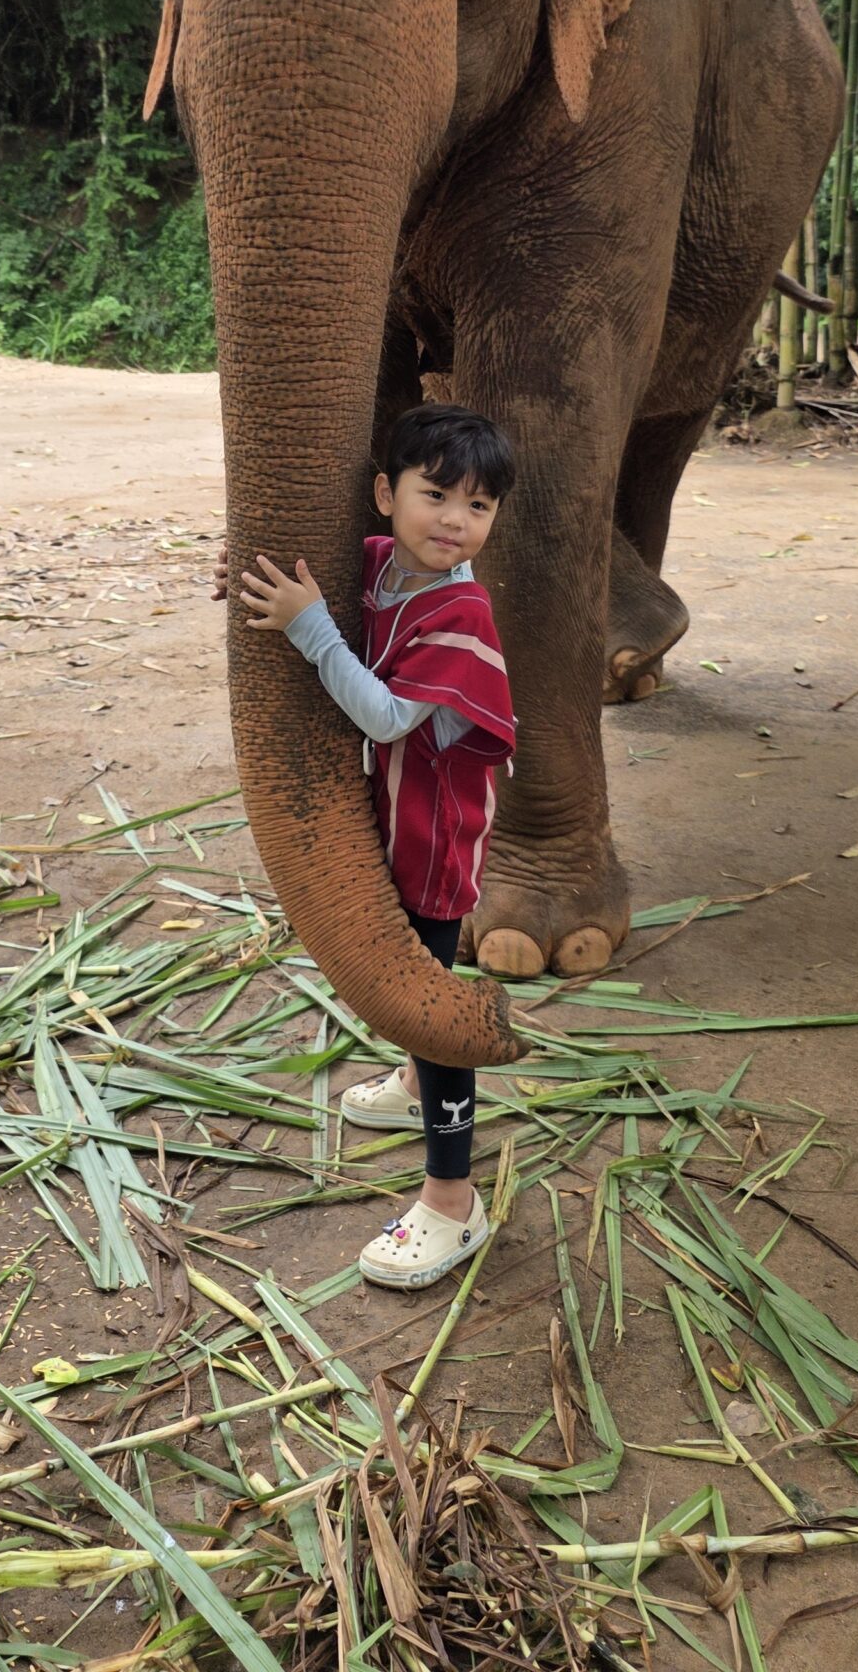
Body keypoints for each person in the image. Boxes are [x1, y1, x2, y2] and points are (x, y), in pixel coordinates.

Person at [238, 403, 518, 1288]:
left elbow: (391, 715)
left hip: (435, 842)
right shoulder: (384, 569)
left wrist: (309, 628)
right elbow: (329, 594)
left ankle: (452, 1201)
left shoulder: (463, 611)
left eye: (476, 507)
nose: (453, 522)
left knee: (434, 1013)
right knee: (411, 997)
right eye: (434, 494)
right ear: (384, 495)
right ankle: (408, 1081)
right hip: (391, 820)